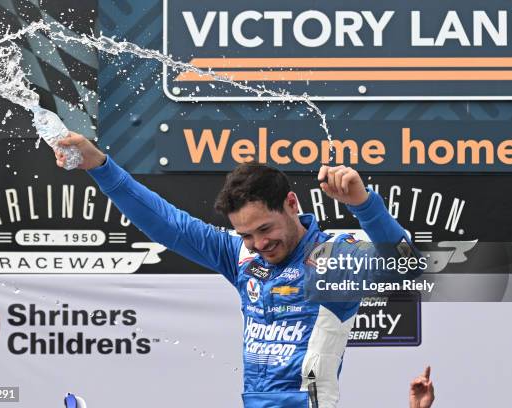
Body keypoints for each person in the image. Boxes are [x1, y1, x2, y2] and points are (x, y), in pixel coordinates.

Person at [55, 133, 421, 408]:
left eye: (265, 229)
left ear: (291, 204)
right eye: (246, 234)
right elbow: (168, 224)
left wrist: (364, 205)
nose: (259, 244)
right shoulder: (241, 257)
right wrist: (101, 168)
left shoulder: (332, 259)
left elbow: (406, 268)